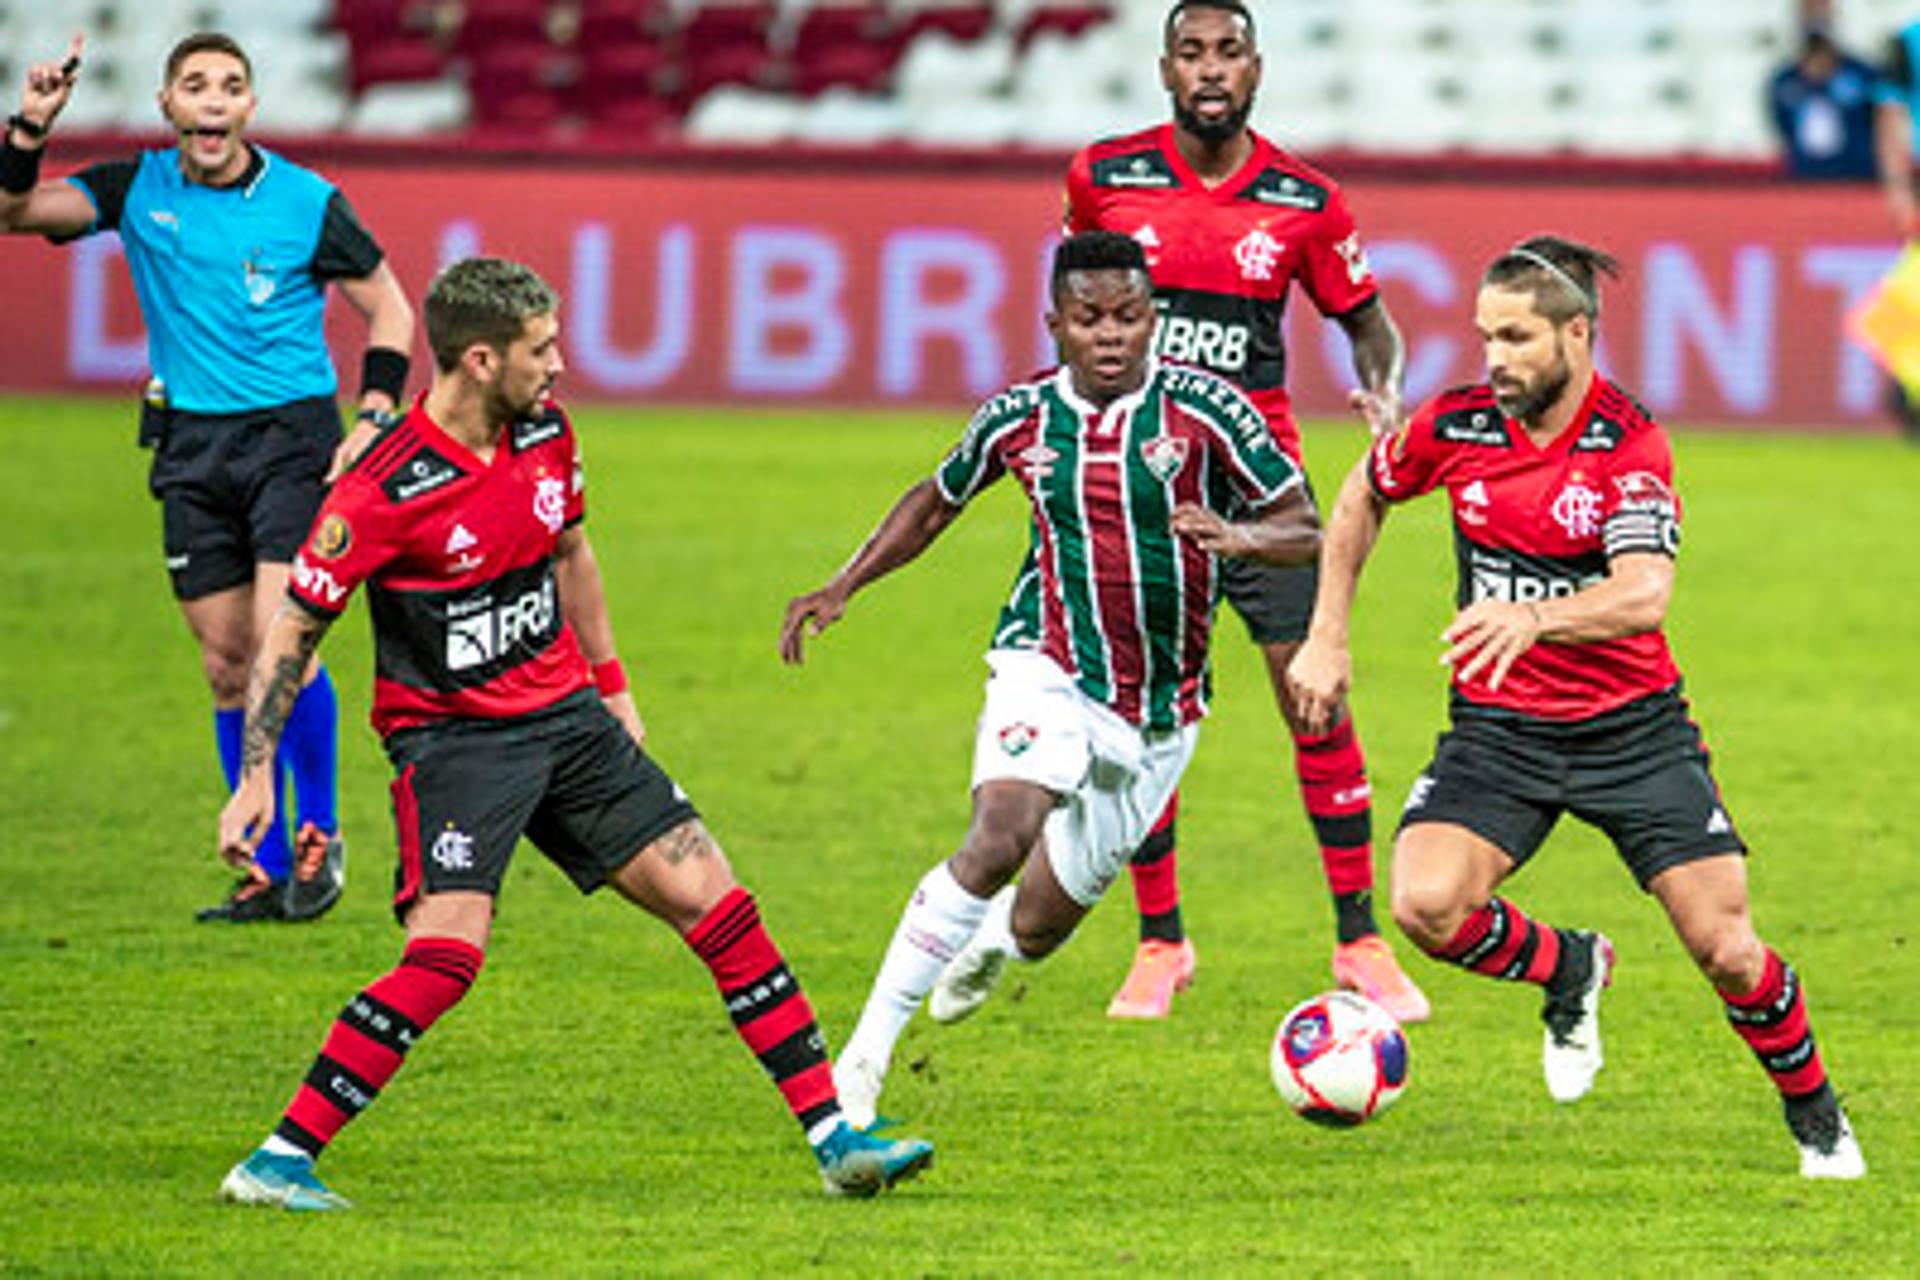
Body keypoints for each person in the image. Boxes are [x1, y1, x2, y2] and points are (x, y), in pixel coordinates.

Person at [214, 257, 933, 1209]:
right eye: (540, 350)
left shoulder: (546, 431)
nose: (558, 366)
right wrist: (257, 773)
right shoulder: (382, 491)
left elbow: (571, 552)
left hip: (568, 720)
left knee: (718, 904)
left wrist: (614, 686)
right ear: (478, 360)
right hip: (456, 744)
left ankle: (835, 1138)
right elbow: (296, 628)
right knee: (445, 959)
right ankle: (276, 1159)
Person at [1286, 235, 1866, 1179]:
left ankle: (1819, 1119)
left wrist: (1535, 617)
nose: (1495, 359)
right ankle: (1568, 968)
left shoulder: (1627, 444)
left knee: (1725, 949)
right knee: (1426, 906)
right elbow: (1363, 491)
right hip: (1500, 729)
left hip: (1633, 732)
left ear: (1575, 333)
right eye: (1484, 338)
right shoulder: (1460, 422)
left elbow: (1644, 594)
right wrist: (1328, 633)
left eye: (1515, 338)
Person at [780, 231, 1321, 1128]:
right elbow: (938, 497)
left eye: (1129, 316)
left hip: (1160, 710)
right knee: (1000, 834)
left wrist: (1246, 539)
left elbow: (1303, 519)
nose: (1110, 334)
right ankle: (859, 1066)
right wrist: (845, 582)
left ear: (1154, 321)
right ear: (1055, 325)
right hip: (1050, 661)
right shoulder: (1018, 416)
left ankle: (992, 941)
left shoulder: (1208, 411)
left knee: (1038, 927)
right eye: (1088, 318)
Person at [1038, 0, 1426, 1022]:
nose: (1211, 68)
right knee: (1139, 714)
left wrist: (1382, 387)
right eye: (1192, 51)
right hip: (1143, 487)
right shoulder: (1105, 180)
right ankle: (1160, 941)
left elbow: (1370, 324)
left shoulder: (1305, 199)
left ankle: (1360, 940)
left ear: (1258, 68)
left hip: (1264, 488)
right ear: (1165, 67)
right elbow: (1079, 309)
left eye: (1230, 51)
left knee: (1315, 697)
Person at [0, 31, 417, 921]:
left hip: (291, 442)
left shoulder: (307, 202)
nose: (214, 100)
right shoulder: (136, 190)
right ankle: (263, 867)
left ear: (250, 109)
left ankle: (319, 836)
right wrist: (31, 127)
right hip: (190, 448)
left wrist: (376, 411)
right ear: (169, 108)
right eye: (195, 85)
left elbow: (388, 305)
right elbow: (16, 214)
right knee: (226, 663)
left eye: (231, 85)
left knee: (279, 640)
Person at [1768, 17, 1878, 182]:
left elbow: (1879, 116)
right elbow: (1780, 122)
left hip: (1854, 173)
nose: (1818, 66)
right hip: (1806, 174)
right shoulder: (1786, 83)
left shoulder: (1860, 76)